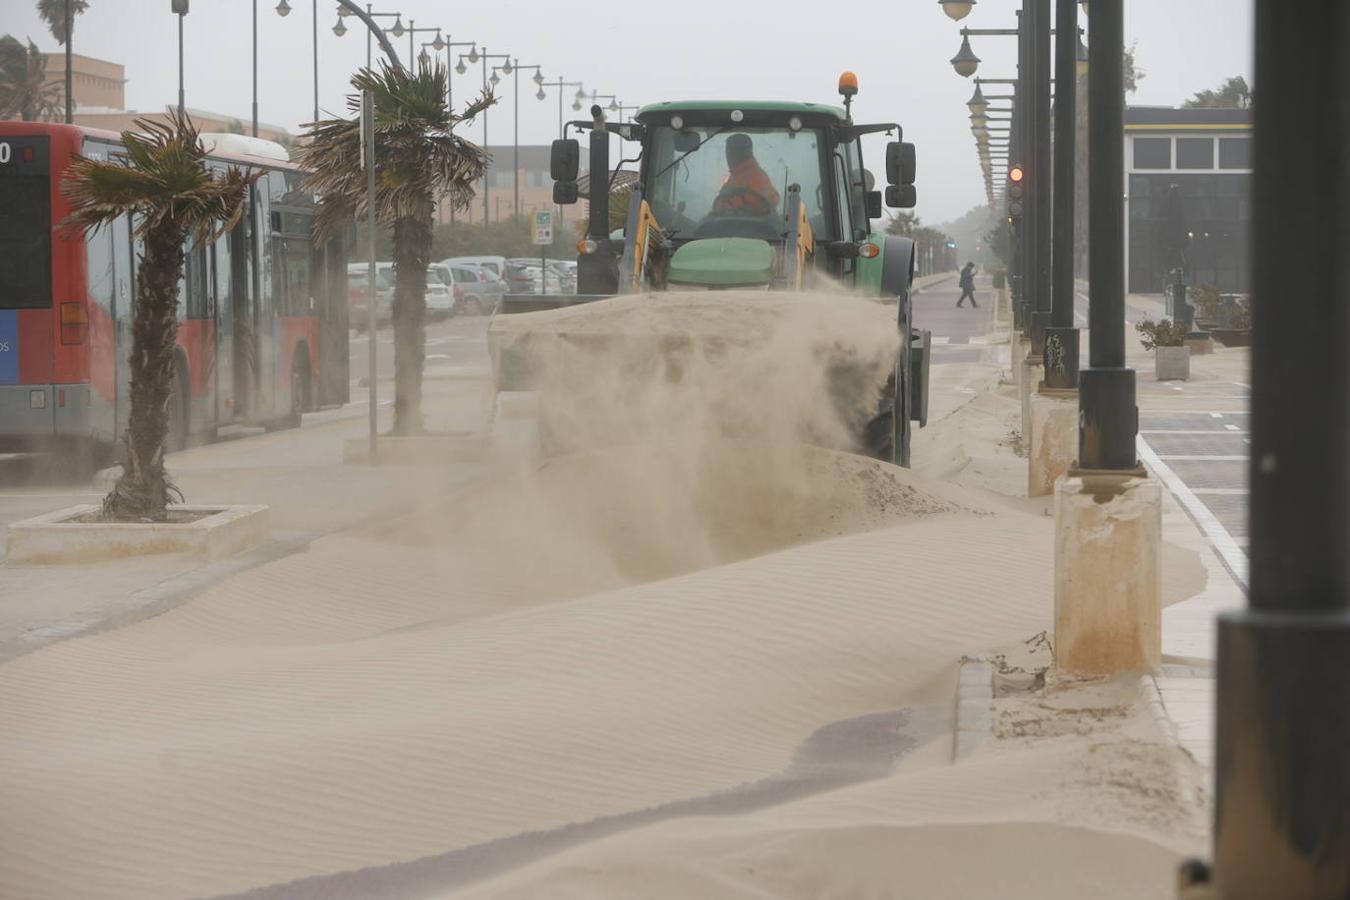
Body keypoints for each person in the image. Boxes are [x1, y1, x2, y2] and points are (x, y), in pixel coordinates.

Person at [712, 133, 780, 217]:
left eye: (731, 152)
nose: (728, 156)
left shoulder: (757, 178)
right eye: (727, 152)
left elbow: (766, 207)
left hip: (751, 228)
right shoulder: (734, 178)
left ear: (743, 152)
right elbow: (722, 205)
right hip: (727, 226)